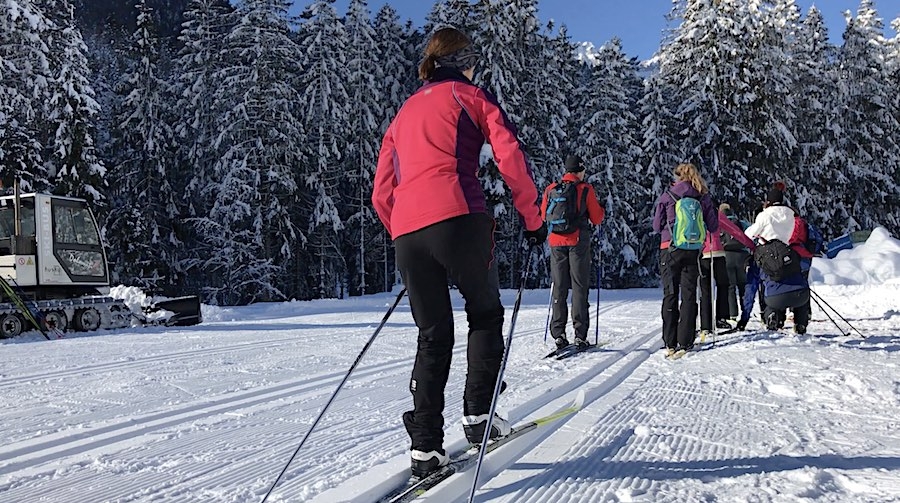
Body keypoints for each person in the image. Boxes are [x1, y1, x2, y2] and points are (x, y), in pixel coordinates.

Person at [371, 27, 547, 478]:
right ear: (464, 61)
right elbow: (510, 157)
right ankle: (479, 416)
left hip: (409, 232)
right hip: (460, 217)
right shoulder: (472, 96)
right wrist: (533, 219)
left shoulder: (404, 112)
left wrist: (404, 232)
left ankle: (426, 447)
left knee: (432, 334)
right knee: (484, 314)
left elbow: (381, 191)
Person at [651, 163, 718, 356]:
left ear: (677, 177)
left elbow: (656, 226)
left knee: (670, 293)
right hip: (693, 250)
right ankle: (685, 340)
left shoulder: (668, 196)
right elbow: (713, 226)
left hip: (669, 248)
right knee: (689, 295)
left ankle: (670, 341)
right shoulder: (702, 196)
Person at [540, 155, 605, 349]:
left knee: (559, 286)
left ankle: (558, 333)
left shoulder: (551, 189)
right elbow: (597, 218)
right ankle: (580, 334)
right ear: (580, 170)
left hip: (555, 242)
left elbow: (543, 214)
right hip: (577, 241)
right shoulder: (584, 189)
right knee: (579, 286)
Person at [737, 187, 811, 333]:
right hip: (788, 252)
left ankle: (771, 316)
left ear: (768, 201)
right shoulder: (790, 214)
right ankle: (800, 320)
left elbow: (750, 234)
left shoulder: (765, 215)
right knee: (791, 282)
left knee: (767, 283)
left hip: (767, 254)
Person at [698, 202, 731, 339]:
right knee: (723, 286)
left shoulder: (697, 214)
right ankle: (721, 318)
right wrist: (750, 245)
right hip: (718, 252)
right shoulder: (718, 215)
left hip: (703, 254)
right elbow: (733, 230)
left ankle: (706, 325)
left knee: (705, 290)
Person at [719, 204, 752, 320]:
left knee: (730, 286)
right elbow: (751, 233)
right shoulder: (740, 223)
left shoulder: (719, 223)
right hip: (742, 256)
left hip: (726, 256)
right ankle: (746, 310)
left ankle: (732, 313)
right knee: (743, 285)